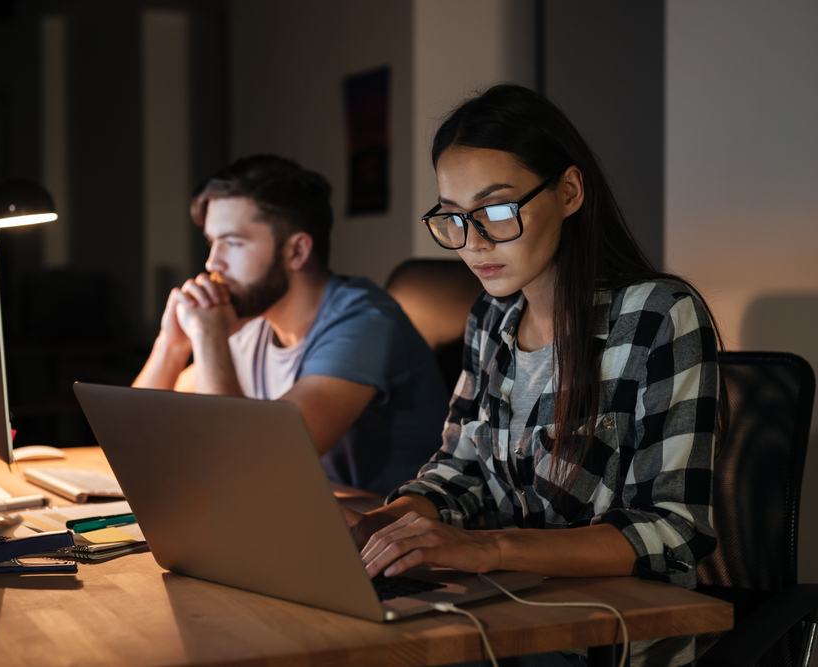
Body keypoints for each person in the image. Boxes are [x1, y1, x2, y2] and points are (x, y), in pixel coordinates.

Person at [344, 85, 724, 667]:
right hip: (502, 614)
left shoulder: (656, 315)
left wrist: (485, 548)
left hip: (609, 637)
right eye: (453, 218)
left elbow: (672, 530)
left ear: (569, 192)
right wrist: (380, 527)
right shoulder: (491, 320)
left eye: (496, 211)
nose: (472, 243)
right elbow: (459, 473)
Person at [133, 154, 449, 495]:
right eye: (212, 242)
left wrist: (209, 338)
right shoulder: (255, 320)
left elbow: (246, 466)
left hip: (381, 532)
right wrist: (172, 344)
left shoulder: (363, 323)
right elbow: (136, 435)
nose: (213, 262)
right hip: (294, 512)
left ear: (296, 251)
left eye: (233, 242)